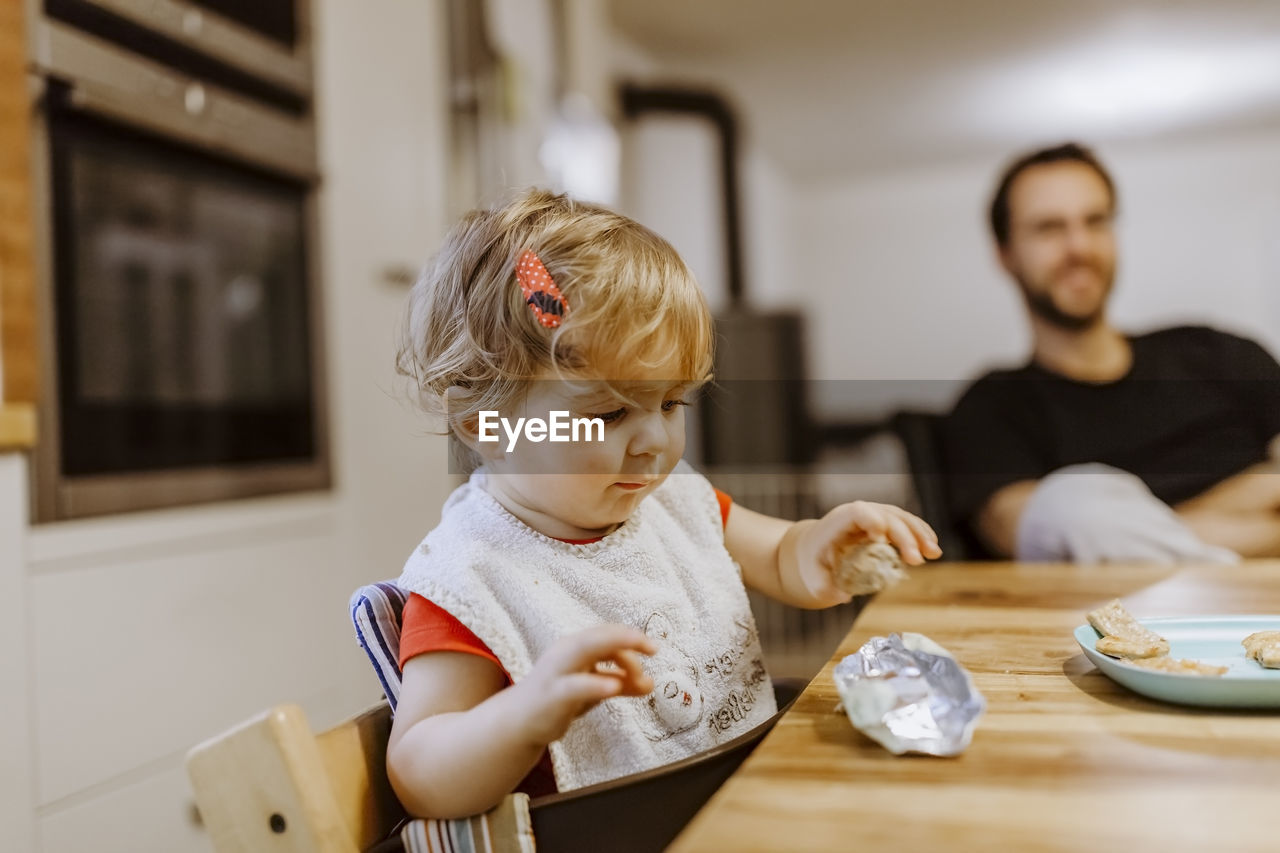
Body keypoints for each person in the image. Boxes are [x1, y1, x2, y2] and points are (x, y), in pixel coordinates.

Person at [386, 189, 942, 819]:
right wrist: (524, 712)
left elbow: (784, 559)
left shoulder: (672, 504)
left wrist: (820, 549)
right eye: (609, 412)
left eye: (671, 403)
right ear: (486, 425)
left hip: (746, 806)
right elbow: (420, 776)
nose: (655, 441)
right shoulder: (470, 578)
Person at [944, 142, 1280, 560]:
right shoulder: (990, 410)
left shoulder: (1220, 353)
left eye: (1096, 221)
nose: (1079, 247)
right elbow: (1056, 543)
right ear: (1005, 254)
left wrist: (1137, 534)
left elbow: (1106, 546)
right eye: (1049, 227)